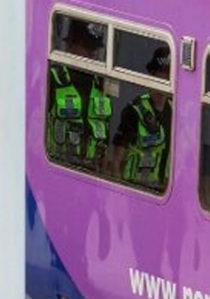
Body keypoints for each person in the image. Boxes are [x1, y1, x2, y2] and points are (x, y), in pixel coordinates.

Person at [45, 21, 112, 171]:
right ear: (71, 46)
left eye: (95, 48)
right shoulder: (53, 79)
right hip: (56, 169)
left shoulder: (102, 87)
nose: (93, 53)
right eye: (88, 47)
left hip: (92, 173)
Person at [112, 47, 173, 191]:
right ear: (152, 75)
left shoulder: (175, 112)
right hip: (136, 191)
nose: (164, 80)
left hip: (164, 192)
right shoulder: (134, 110)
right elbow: (116, 162)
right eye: (160, 74)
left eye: (168, 76)